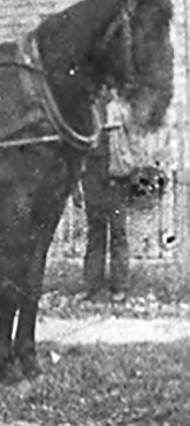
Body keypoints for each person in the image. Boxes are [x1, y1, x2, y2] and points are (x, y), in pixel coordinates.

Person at [81, 97, 131, 303]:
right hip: (92, 176)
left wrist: (131, 166)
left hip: (116, 177)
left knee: (118, 231)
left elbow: (134, 139)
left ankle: (119, 286)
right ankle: (92, 286)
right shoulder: (86, 108)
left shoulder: (120, 107)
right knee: (95, 230)